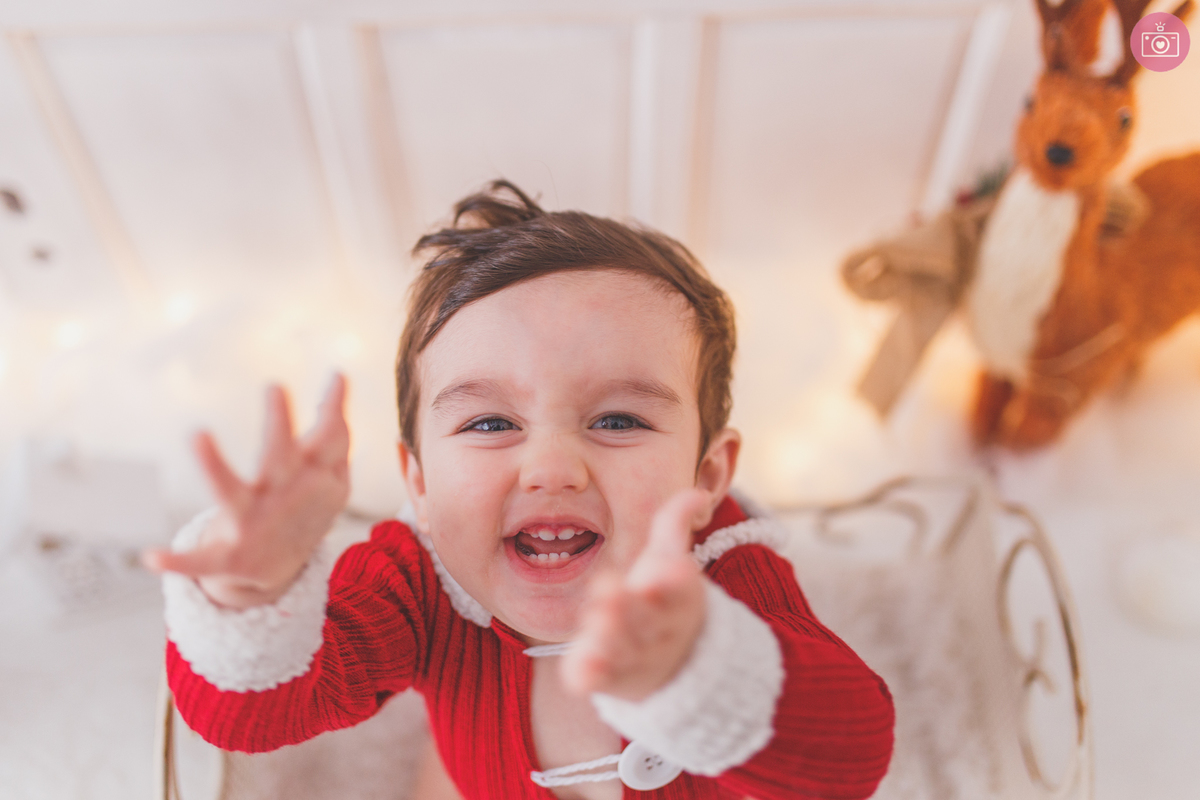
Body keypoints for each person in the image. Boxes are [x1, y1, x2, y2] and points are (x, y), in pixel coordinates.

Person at [144, 180, 895, 800]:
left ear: (706, 475)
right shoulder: (421, 577)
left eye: (618, 419)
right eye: (491, 423)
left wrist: (701, 669)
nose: (552, 468)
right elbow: (255, 714)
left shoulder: (724, 574)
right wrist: (253, 594)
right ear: (419, 484)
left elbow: (850, 759)